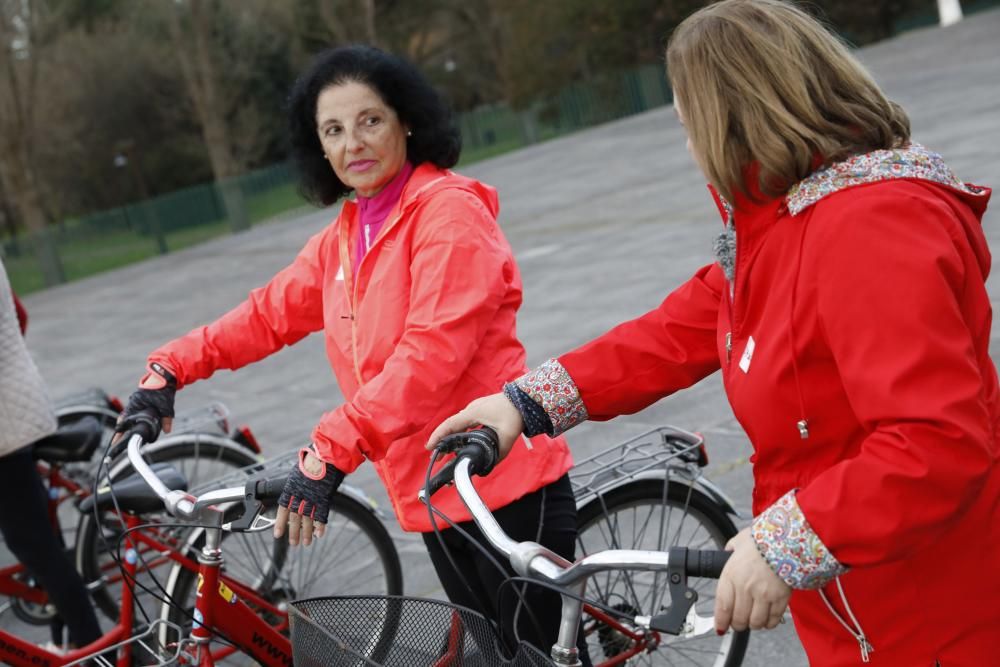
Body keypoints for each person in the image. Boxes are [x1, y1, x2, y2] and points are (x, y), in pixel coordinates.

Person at [429, 0, 1000, 664]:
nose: (692, 147)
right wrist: (523, 403)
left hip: (929, 614)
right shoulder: (785, 222)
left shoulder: (867, 227)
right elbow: (678, 330)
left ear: (735, 116)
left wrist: (783, 541)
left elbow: (936, 442)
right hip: (859, 602)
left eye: (689, 126)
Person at [114, 45, 585, 660]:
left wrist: (332, 448)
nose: (352, 143)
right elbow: (265, 315)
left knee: (534, 655)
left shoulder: (447, 214)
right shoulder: (347, 233)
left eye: (370, 121)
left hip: (502, 484)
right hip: (434, 496)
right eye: (332, 130)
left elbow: (430, 354)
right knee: (497, 651)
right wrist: (170, 367)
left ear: (405, 120)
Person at [0, 259, 103, 651]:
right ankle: (72, 642)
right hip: (16, 406)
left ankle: (92, 648)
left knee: (34, 546)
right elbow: (19, 315)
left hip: (6, 426)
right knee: (42, 539)